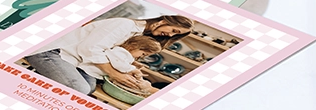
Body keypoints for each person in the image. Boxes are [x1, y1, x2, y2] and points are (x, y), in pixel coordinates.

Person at [23, 15, 193, 96]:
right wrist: (113, 72)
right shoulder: (125, 25)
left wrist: (130, 67)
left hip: (74, 59)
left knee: (90, 88)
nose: (170, 36)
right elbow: (90, 48)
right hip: (51, 52)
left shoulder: (138, 34)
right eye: (173, 31)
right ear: (163, 21)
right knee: (80, 89)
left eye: (174, 36)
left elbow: (110, 53)